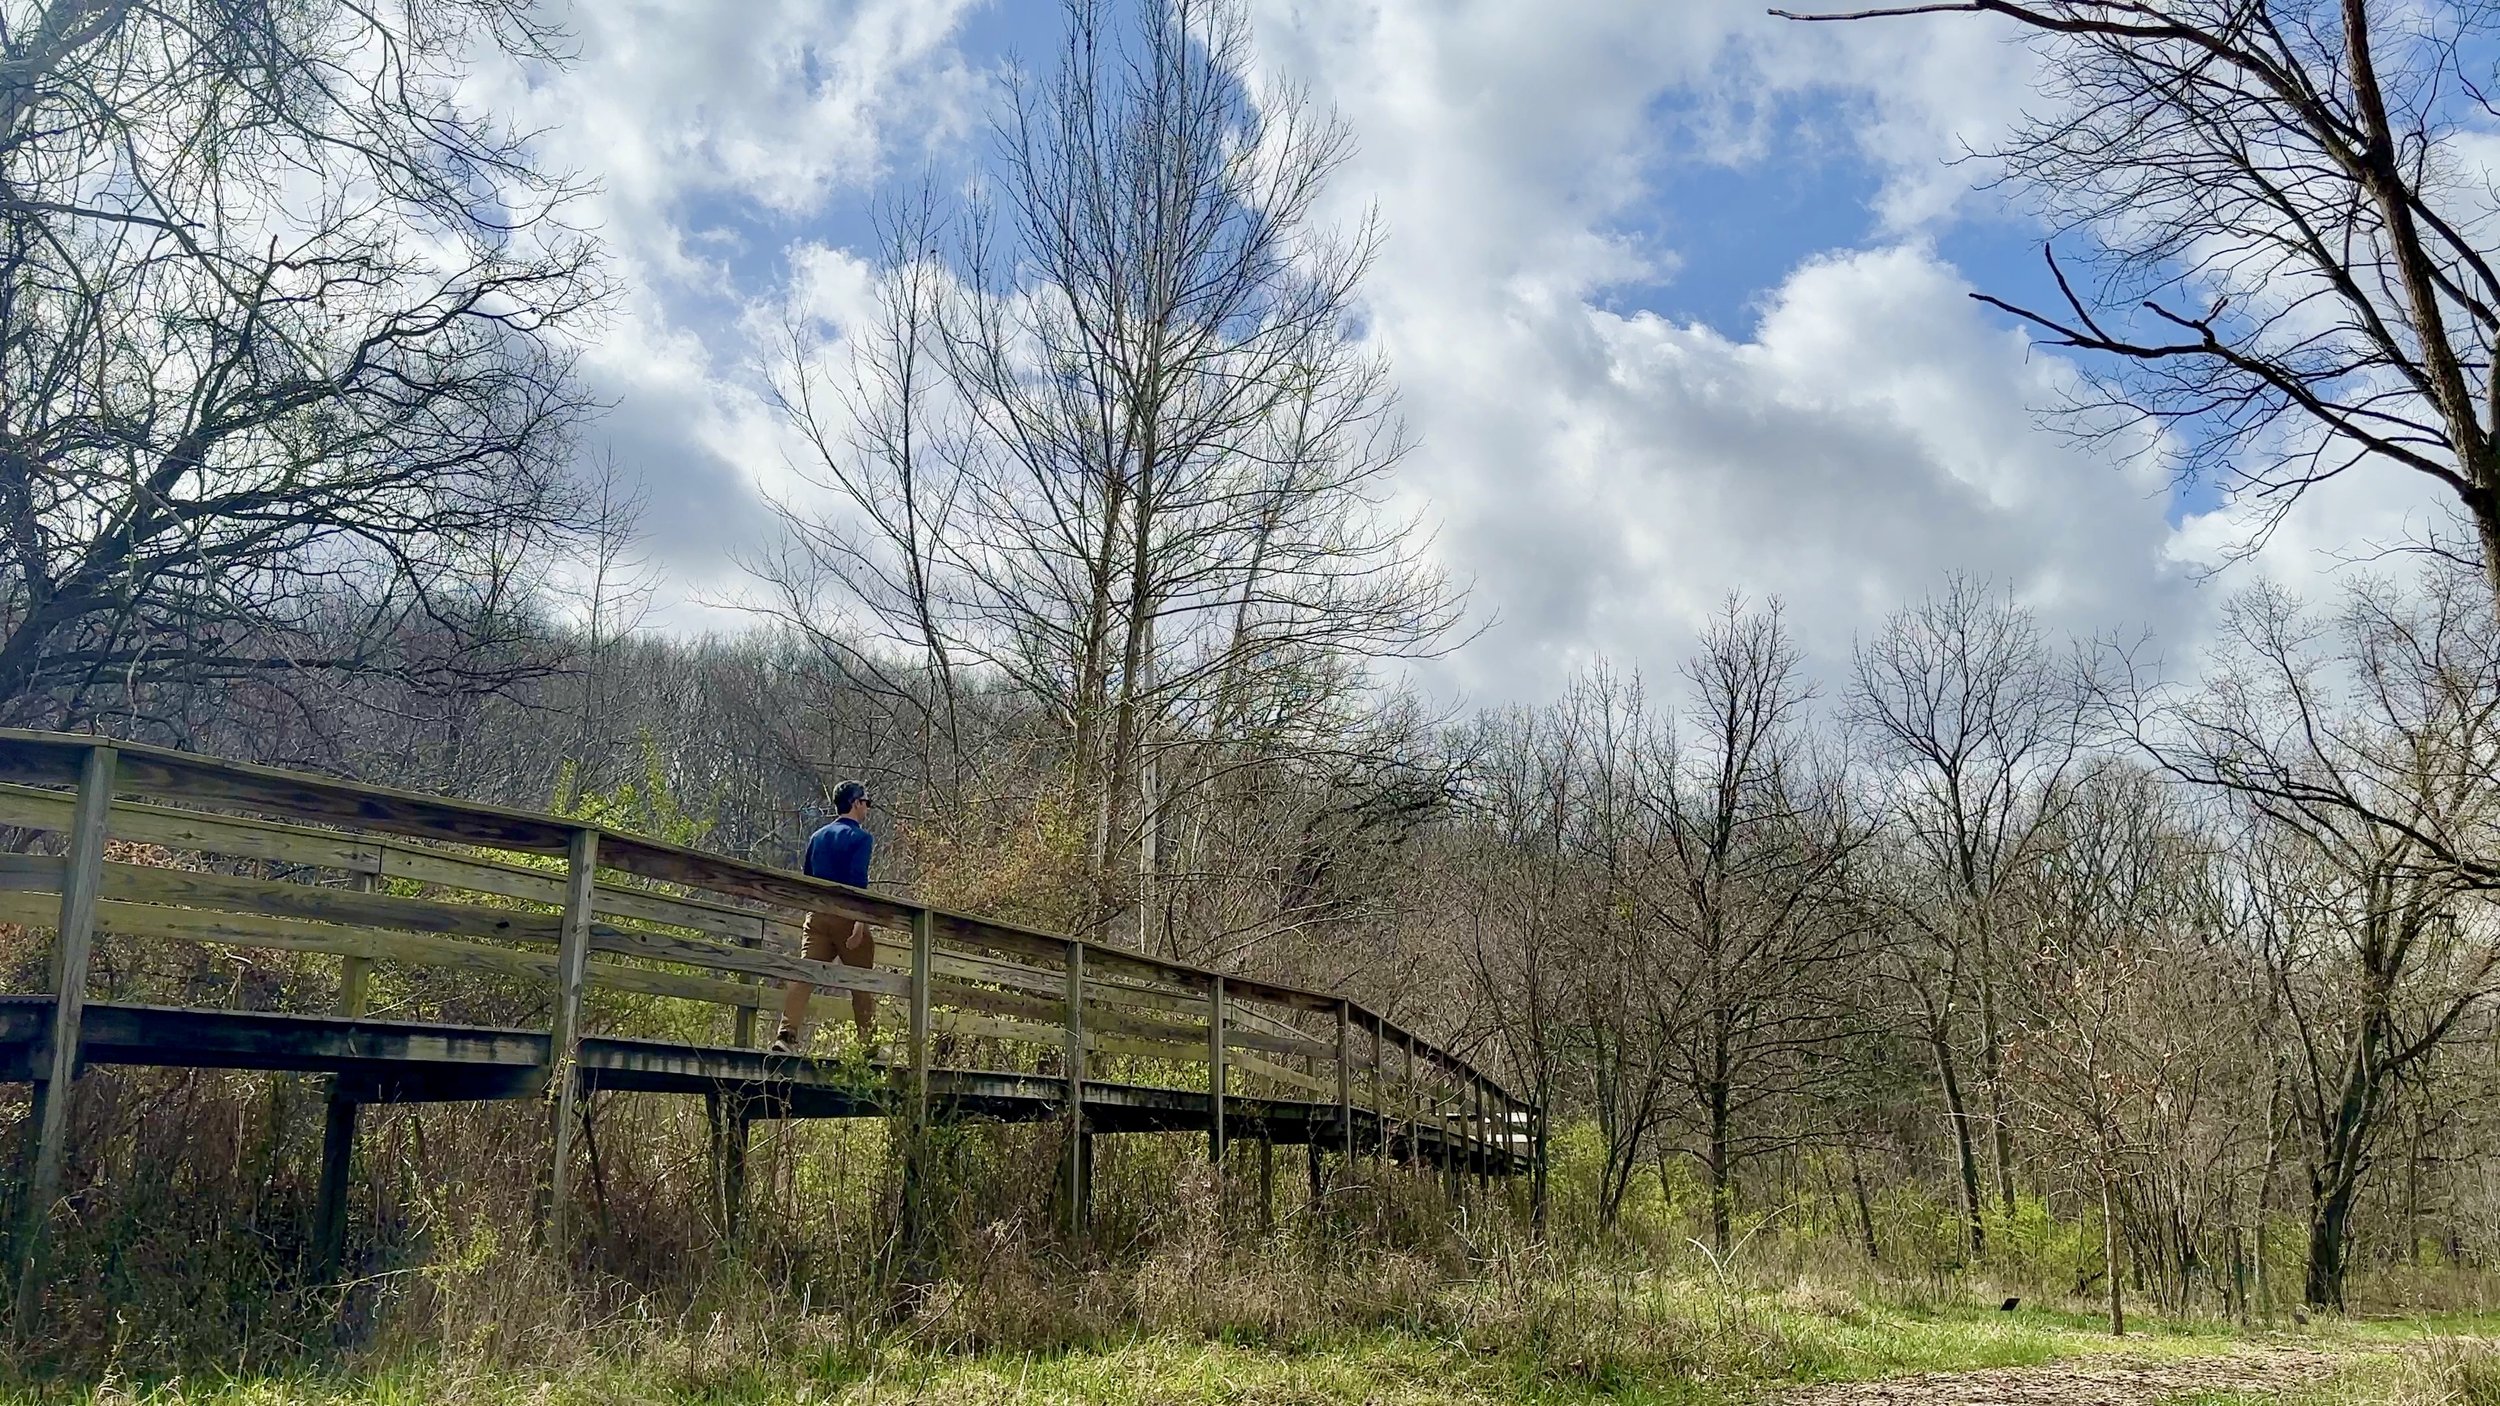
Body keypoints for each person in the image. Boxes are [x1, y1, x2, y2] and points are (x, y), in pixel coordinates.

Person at [772, 780, 876, 1055]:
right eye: (866, 802)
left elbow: (808, 879)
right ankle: (869, 1048)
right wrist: (859, 923)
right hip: (847, 917)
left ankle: (786, 1035)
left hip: (816, 916)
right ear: (856, 803)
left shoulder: (817, 837)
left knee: (805, 974)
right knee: (861, 980)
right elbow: (858, 883)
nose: (867, 807)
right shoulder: (862, 839)